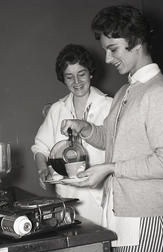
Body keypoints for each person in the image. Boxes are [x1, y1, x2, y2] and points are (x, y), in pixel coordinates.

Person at [60, 5, 163, 252]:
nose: (107, 58)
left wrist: (110, 168)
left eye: (113, 48)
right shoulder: (125, 91)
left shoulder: (159, 94)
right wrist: (85, 127)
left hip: (150, 221)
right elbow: (111, 139)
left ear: (137, 42)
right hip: (123, 216)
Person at [31, 44, 113, 226]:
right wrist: (42, 169)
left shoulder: (109, 106)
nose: (76, 81)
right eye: (69, 76)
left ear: (91, 73)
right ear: (63, 79)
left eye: (81, 74)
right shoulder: (57, 109)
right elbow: (40, 147)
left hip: (101, 195)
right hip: (68, 197)